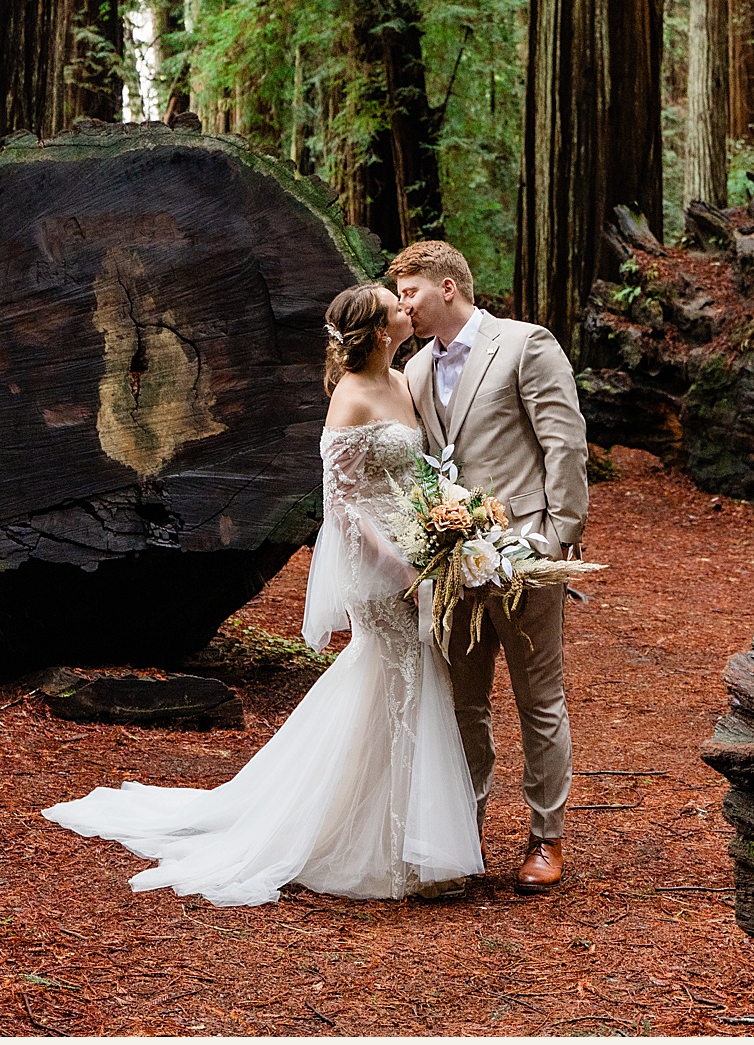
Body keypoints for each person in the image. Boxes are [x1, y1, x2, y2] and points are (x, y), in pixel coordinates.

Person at [40, 282, 481, 905]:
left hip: (416, 548)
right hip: (382, 568)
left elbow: (415, 474)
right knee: (399, 674)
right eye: (396, 307)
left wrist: (441, 529)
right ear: (381, 331)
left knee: (400, 679)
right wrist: (404, 570)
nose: (408, 310)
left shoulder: (404, 382)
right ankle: (381, 845)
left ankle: (398, 832)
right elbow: (346, 510)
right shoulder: (350, 400)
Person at [386, 239, 589, 896]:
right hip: (452, 569)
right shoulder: (414, 371)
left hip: (526, 559)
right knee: (461, 706)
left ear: (447, 287)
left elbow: (564, 444)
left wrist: (557, 540)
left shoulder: (526, 344)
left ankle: (545, 838)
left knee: (539, 700)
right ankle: (463, 834)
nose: (402, 305)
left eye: (410, 291)